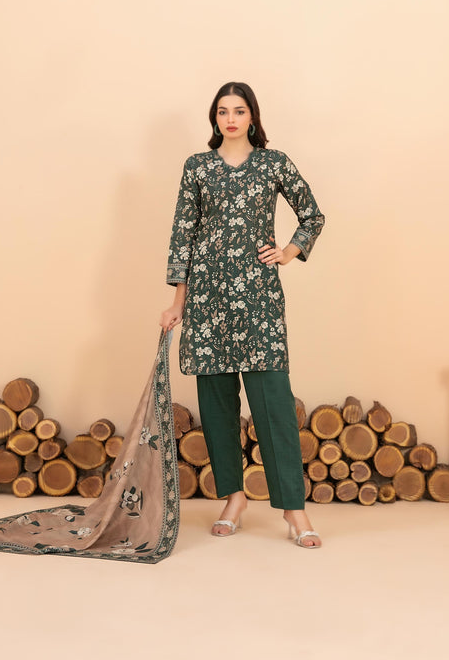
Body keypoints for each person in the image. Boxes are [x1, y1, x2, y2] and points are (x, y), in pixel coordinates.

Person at [159, 82, 325, 548]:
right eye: (222, 111)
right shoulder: (197, 167)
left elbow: (312, 215)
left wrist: (289, 251)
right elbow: (183, 235)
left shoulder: (273, 163)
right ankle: (233, 498)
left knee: (273, 402)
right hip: (207, 299)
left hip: (258, 299)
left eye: (239, 110)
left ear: (252, 116)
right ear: (214, 118)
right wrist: (178, 302)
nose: (230, 119)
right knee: (216, 407)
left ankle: (293, 509)